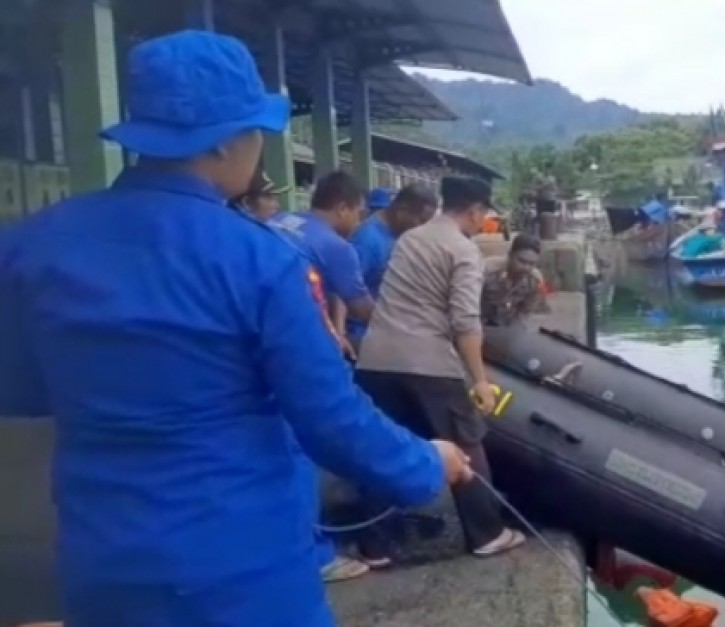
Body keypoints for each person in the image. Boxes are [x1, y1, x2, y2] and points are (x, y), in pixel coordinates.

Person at [0, 30, 473, 627]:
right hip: (243, 570)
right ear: (225, 141)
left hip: (105, 563)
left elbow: (17, 387)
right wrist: (427, 463)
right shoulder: (260, 260)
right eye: (256, 131)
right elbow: (331, 419)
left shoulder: (34, 245)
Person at [356, 175, 526, 557]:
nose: (483, 221)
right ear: (475, 211)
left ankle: (373, 546)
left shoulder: (410, 239)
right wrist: (479, 380)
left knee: (384, 448)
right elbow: (465, 322)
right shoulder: (463, 251)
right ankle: (487, 534)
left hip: (376, 359)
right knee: (466, 442)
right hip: (427, 362)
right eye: (484, 214)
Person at [270, 171, 372, 356]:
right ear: (342, 209)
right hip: (290, 335)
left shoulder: (279, 219)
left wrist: (338, 332)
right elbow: (363, 310)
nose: (359, 222)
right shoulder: (336, 246)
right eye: (359, 213)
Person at [347, 185, 437, 349]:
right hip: (364, 334)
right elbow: (345, 291)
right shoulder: (367, 240)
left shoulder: (400, 235)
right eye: (421, 221)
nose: (422, 228)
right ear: (402, 211)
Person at [481, 233, 549, 326]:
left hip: (506, 321)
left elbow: (526, 311)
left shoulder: (534, 280)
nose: (526, 267)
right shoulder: (487, 270)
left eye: (531, 263)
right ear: (510, 255)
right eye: (521, 261)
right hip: (477, 318)